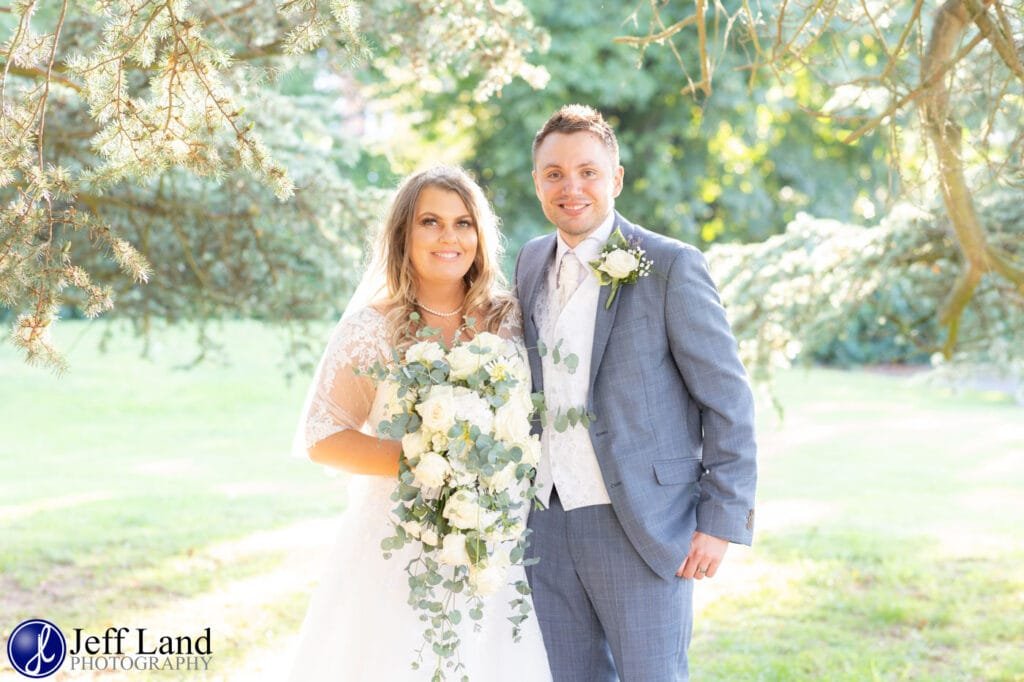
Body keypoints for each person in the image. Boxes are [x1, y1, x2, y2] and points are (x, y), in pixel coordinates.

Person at [515, 104, 758, 681]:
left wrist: (720, 520)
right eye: (554, 174)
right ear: (538, 183)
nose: (571, 187)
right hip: (545, 521)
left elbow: (727, 399)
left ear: (616, 178)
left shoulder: (671, 266)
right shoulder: (527, 262)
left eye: (588, 171)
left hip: (643, 524)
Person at [288, 165, 552, 681]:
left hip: (495, 542)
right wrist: (429, 462)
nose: (449, 237)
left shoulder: (509, 318)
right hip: (398, 540)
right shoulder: (375, 325)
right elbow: (322, 437)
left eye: (463, 222)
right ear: (403, 234)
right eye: (430, 222)